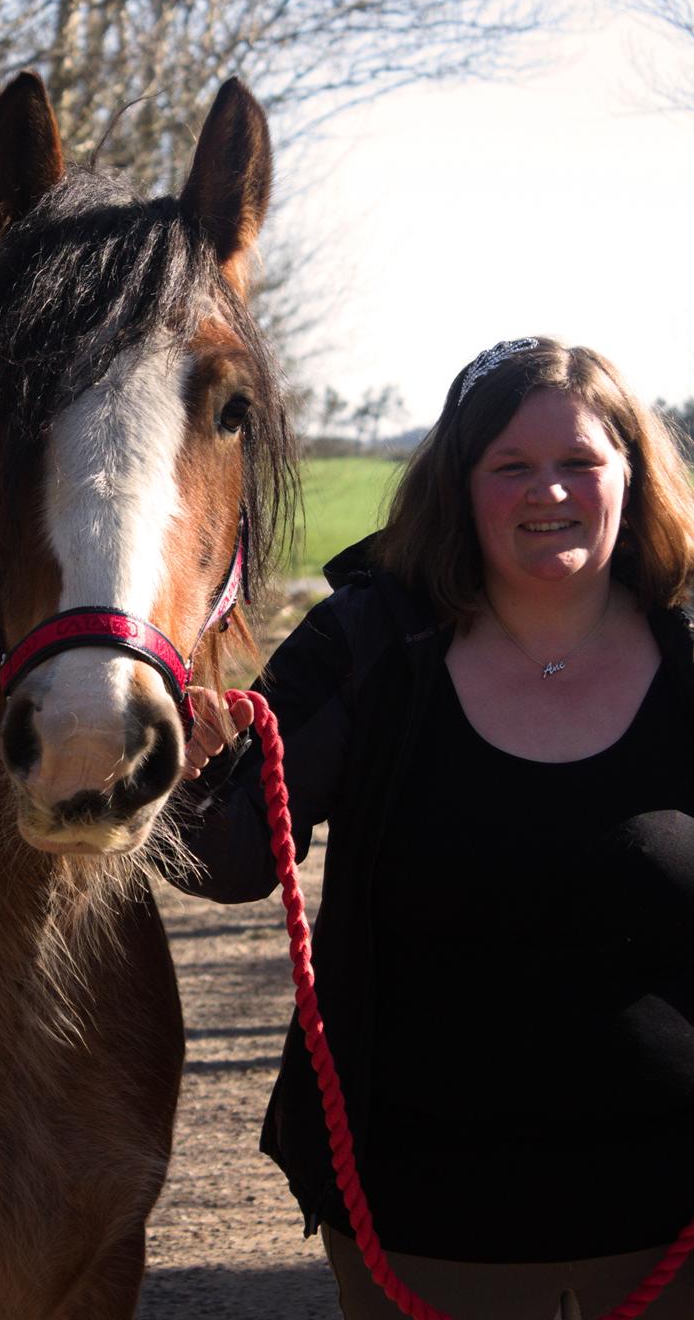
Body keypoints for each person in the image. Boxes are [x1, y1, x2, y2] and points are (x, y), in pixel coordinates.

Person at [174, 337, 694, 1320]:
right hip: (424, 1226)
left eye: (581, 461)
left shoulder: (689, 655)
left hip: (674, 1225)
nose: (551, 490)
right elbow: (238, 852)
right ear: (460, 488)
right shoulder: (367, 646)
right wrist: (176, 770)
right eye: (512, 466)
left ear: (631, 473)